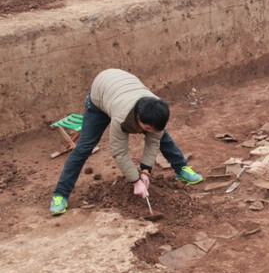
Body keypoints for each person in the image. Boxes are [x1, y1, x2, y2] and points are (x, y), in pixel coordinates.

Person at [50, 68, 203, 216]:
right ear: (138, 117)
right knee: (84, 147)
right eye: (147, 127)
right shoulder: (121, 117)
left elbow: (153, 142)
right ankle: (60, 195)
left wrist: (145, 171)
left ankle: (181, 168)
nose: (149, 131)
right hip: (100, 94)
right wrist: (136, 181)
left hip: (122, 89)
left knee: (162, 137)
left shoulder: (157, 110)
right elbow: (119, 152)